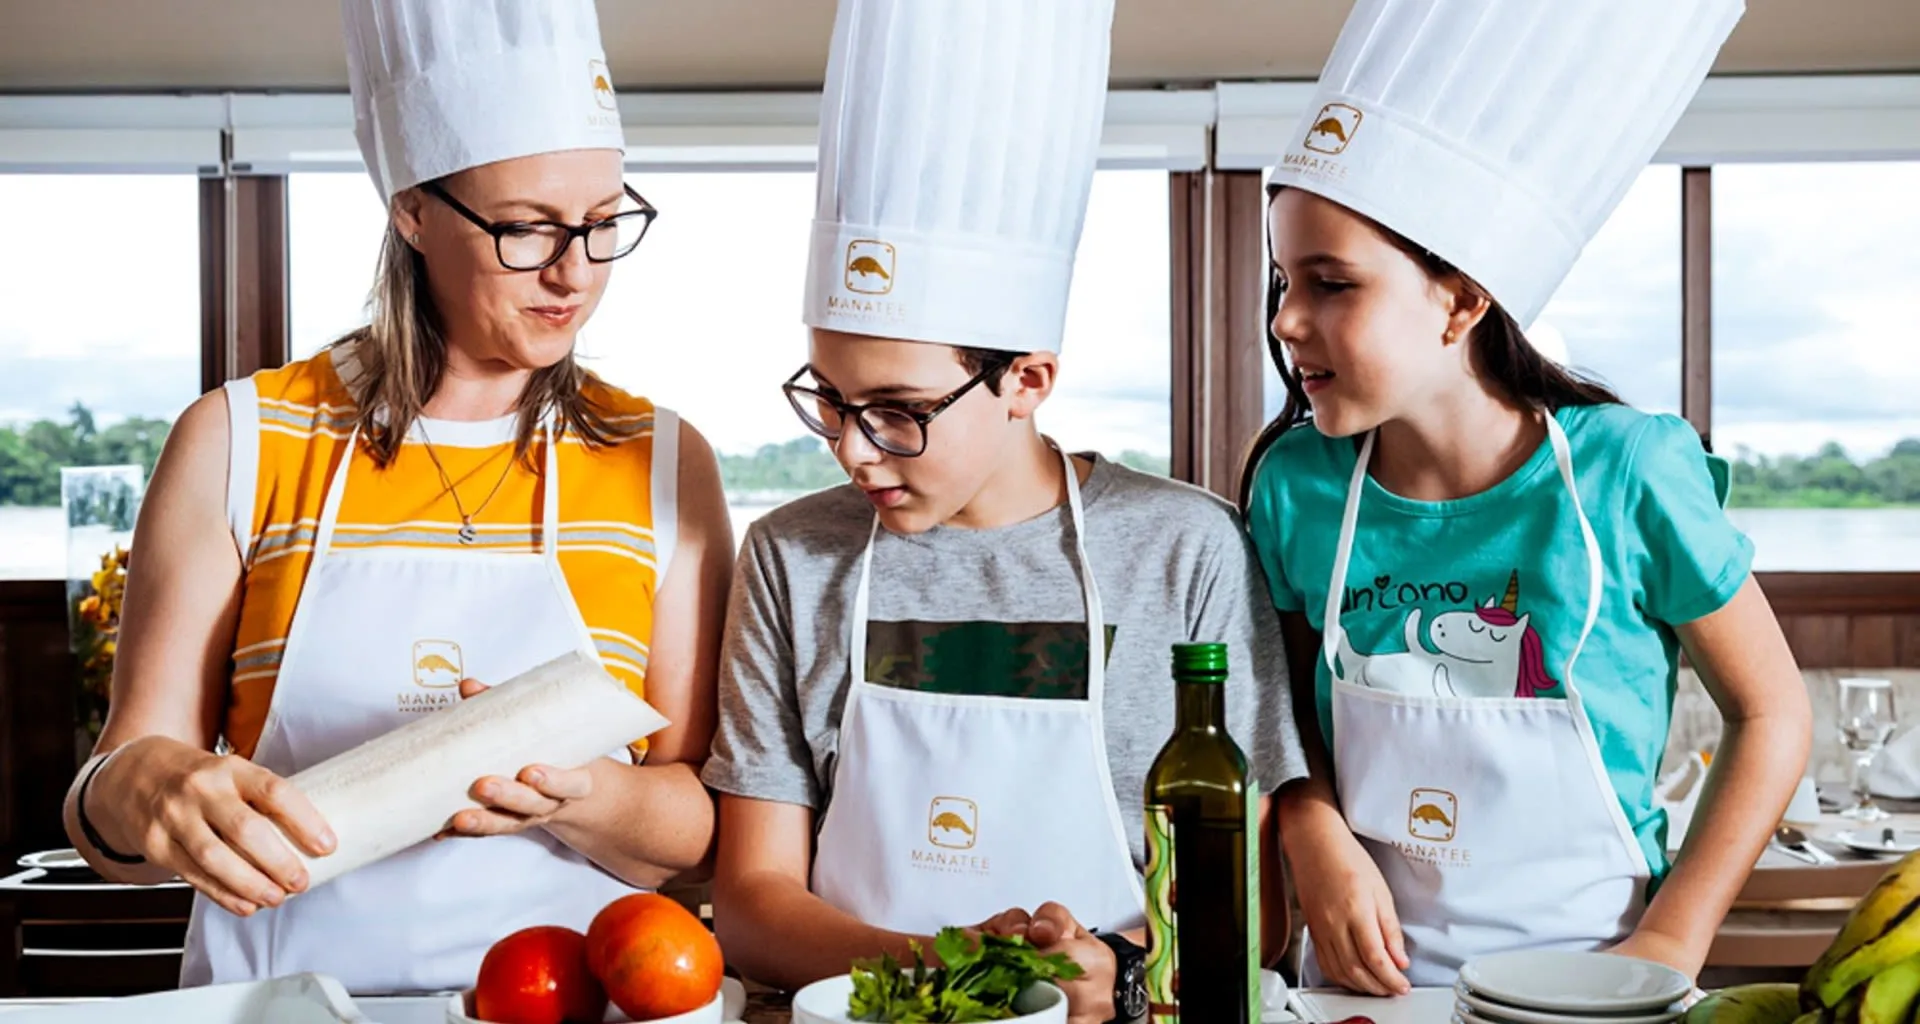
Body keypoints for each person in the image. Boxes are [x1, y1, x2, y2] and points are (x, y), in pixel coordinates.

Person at [61, 0, 732, 993]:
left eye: (602, 224)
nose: (573, 271)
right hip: (280, 1002)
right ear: (412, 209)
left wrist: (574, 793)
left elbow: (700, 835)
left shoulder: (660, 460)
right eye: (523, 228)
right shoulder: (241, 441)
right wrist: (142, 786)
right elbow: (105, 815)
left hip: (571, 1006)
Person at [700, 1, 1307, 1021]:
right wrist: (954, 967)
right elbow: (754, 907)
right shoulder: (790, 555)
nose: (853, 449)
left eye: (897, 413)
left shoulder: (1183, 549)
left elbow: (1254, 899)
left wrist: (1109, 967)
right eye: (832, 403)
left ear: (1026, 379)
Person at [1240, 0, 1812, 993]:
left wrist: (1670, 944)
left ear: (1460, 299)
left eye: (1332, 283)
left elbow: (1772, 714)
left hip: (1594, 982)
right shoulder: (1298, 488)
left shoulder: (1630, 470)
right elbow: (1282, 712)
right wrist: (1309, 822)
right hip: (1361, 989)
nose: (1288, 319)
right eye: (1284, 280)